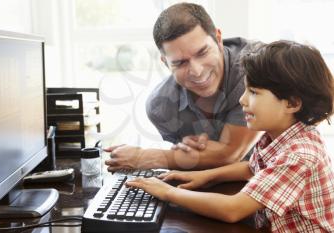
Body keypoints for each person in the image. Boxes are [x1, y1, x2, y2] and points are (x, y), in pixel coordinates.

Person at [126, 40, 334, 232]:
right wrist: (205, 176)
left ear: (292, 103)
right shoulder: (281, 135)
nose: (242, 100)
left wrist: (167, 192)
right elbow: (253, 167)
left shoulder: (300, 156)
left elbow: (232, 209)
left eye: (253, 92)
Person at [105, 3, 259, 171]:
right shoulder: (161, 107)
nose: (197, 71)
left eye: (202, 53)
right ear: (165, 63)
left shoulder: (257, 67)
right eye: (180, 62)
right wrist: (187, 156)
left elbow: (230, 154)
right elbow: (192, 163)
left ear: (219, 39)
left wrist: (146, 157)